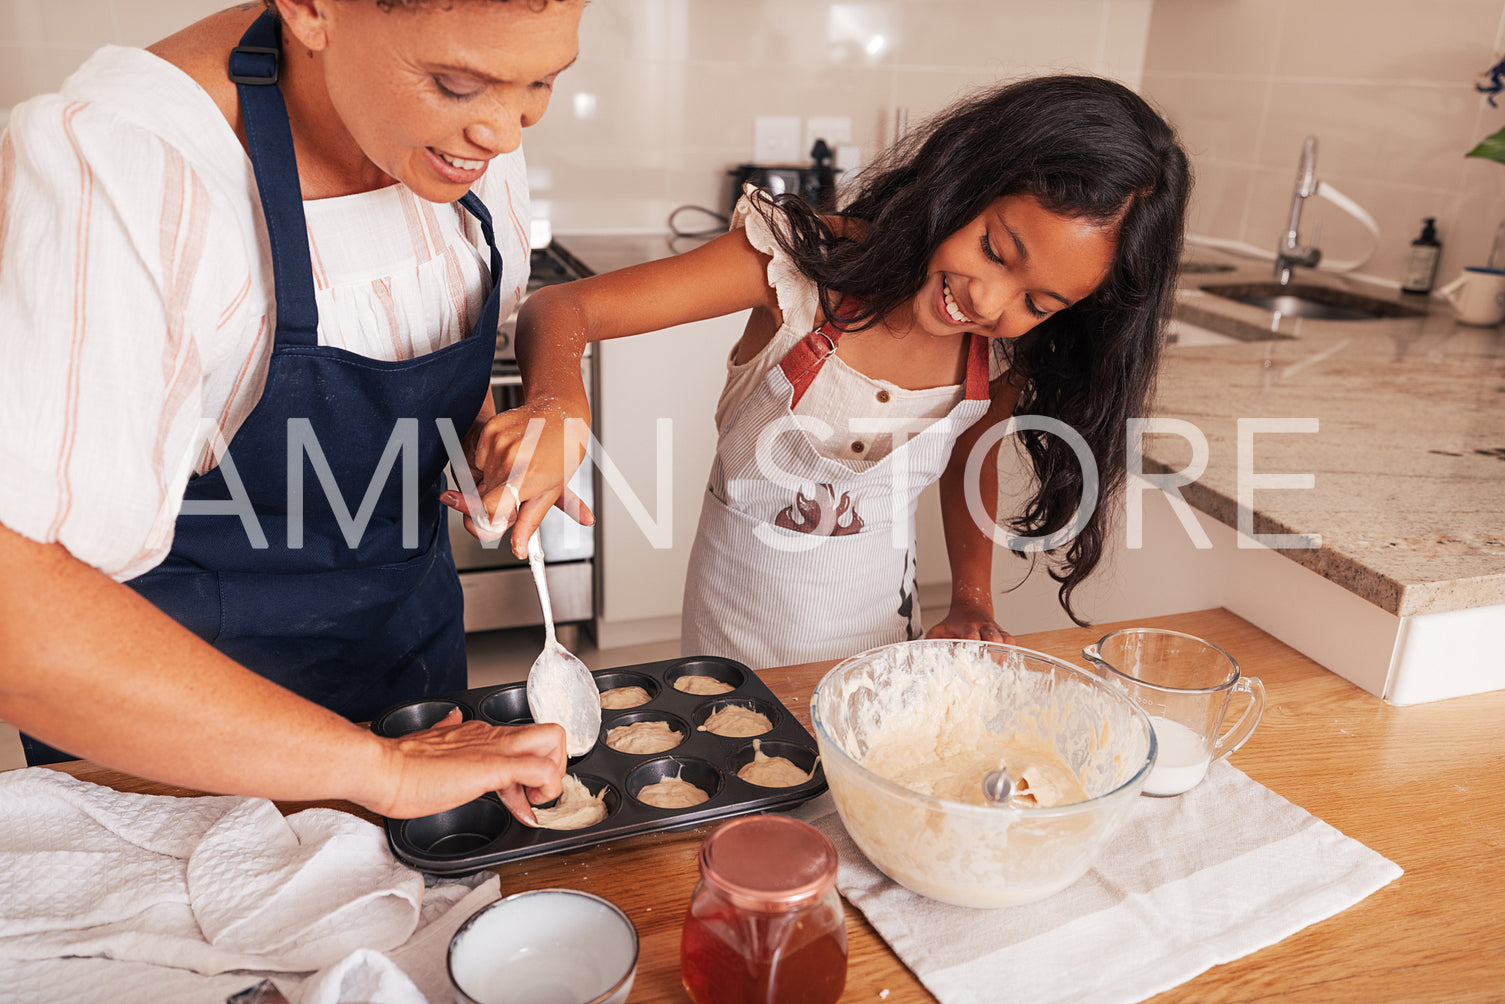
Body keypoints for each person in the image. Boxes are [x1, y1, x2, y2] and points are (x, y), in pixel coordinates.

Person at [0, 0, 591, 824]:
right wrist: (375, 770)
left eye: (540, 84)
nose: (505, 133)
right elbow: (19, 618)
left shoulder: (447, 138)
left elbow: (420, 348)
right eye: (458, 84)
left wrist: (496, 441)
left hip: (412, 657)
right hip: (185, 729)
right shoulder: (128, 164)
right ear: (314, 10)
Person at [462, 74, 1191, 670]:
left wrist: (972, 597)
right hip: (734, 637)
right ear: (965, 181)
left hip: (880, 641)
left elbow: (971, 452)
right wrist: (559, 405)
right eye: (996, 251)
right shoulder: (802, 264)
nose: (988, 301)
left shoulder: (999, 349)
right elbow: (561, 309)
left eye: (1039, 301)